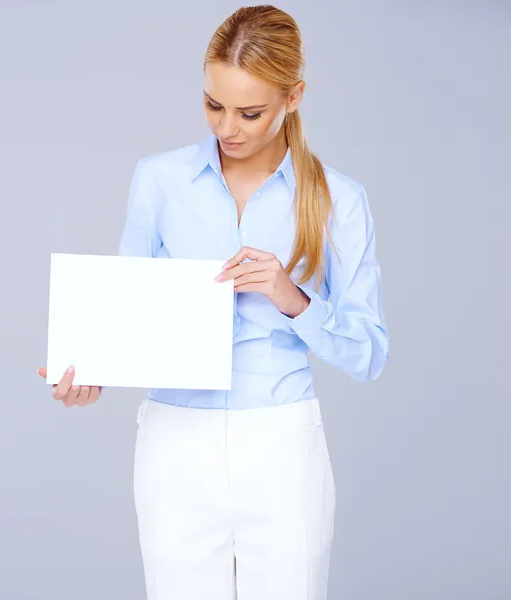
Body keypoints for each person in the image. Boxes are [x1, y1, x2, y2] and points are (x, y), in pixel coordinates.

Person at [38, 5, 389, 599]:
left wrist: (292, 298)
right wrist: (90, 370)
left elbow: (368, 355)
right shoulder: (158, 181)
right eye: (213, 105)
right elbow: (125, 313)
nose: (228, 127)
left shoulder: (339, 201)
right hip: (175, 442)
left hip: (281, 442)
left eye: (250, 112)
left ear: (293, 97)